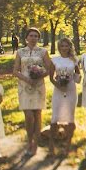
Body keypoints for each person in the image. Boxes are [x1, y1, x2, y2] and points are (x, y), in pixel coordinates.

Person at [12, 27, 53, 157]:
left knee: (37, 114)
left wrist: (39, 76)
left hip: (38, 86)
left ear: (38, 38)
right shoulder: (20, 52)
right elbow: (15, 71)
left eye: (36, 36)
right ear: (26, 37)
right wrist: (27, 80)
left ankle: (35, 144)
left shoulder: (43, 52)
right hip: (24, 86)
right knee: (29, 116)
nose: (34, 38)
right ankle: (29, 141)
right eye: (31, 35)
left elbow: (50, 68)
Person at [49, 37, 80, 156]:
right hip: (58, 91)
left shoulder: (74, 60)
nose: (64, 48)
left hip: (71, 89)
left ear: (69, 47)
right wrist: (59, 85)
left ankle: (67, 146)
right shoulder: (54, 60)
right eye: (62, 46)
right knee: (55, 118)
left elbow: (77, 75)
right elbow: (51, 77)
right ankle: (51, 146)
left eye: (67, 46)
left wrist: (75, 78)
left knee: (70, 117)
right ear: (59, 47)